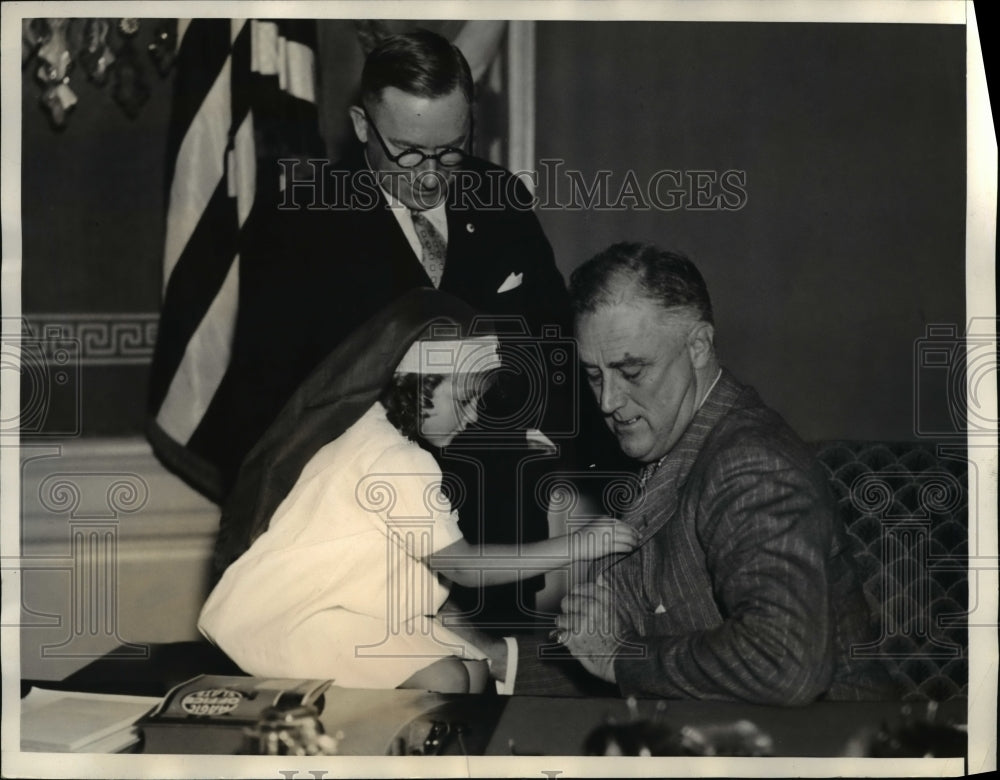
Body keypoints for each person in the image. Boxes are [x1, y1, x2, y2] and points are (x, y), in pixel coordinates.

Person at [456, 242, 896, 703]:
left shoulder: (750, 464)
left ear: (699, 346)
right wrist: (495, 657)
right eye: (593, 375)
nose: (607, 401)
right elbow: (636, 653)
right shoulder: (674, 443)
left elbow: (783, 664)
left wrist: (619, 657)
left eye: (632, 371)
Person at [200, 289, 636, 692]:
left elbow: (439, 431)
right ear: (420, 385)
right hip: (297, 617)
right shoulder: (395, 460)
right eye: (465, 400)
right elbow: (464, 567)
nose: (471, 417)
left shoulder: (371, 429)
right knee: (448, 679)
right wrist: (579, 544)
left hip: (348, 609)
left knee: (475, 672)